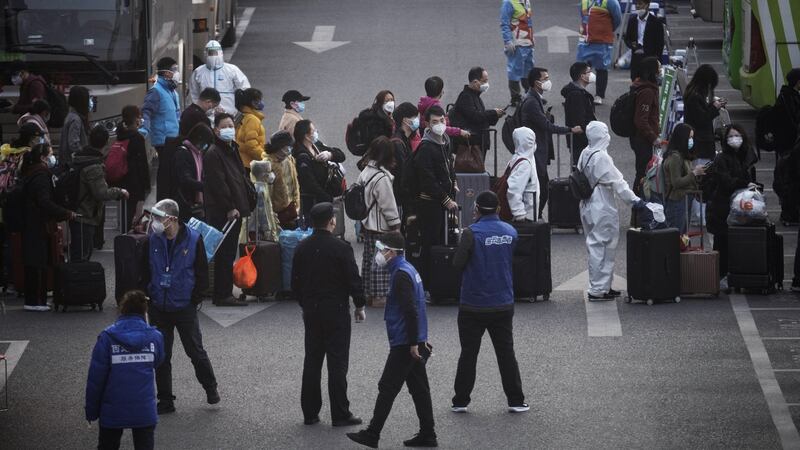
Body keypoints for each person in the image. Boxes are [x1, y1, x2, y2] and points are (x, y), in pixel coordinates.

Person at [346, 232, 436, 449]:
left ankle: (372, 434)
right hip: (413, 339)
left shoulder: (401, 275)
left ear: (392, 252)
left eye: (382, 249)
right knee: (419, 388)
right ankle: (428, 434)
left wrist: (414, 343)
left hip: (406, 342)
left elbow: (410, 310)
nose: (379, 254)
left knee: (387, 387)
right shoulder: (407, 269)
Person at [451, 191, 528, 413]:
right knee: (506, 353)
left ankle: (461, 400)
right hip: (502, 302)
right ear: (497, 209)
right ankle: (516, 400)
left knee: (469, 353)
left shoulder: (470, 233)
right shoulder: (510, 232)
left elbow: (458, 263)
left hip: (473, 304)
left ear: (476, 210)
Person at [291, 202, 366, 427]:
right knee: (337, 362)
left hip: (312, 310)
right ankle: (340, 413)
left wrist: (304, 303)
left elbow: (295, 281)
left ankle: (310, 412)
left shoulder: (301, 247)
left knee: (312, 360)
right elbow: (353, 279)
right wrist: (360, 305)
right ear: (332, 222)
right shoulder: (341, 248)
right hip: (336, 310)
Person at [140, 199, 218, 414]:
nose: (154, 222)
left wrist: (194, 299)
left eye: (158, 217)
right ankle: (165, 400)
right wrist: (148, 296)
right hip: (159, 307)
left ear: (172, 219)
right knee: (162, 357)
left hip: (184, 307)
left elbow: (202, 273)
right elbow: (144, 271)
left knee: (195, 352)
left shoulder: (193, 239)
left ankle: (210, 388)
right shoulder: (151, 241)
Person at [85, 290, 165, 450]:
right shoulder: (155, 337)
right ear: (145, 311)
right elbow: (158, 361)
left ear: (122, 309)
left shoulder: (108, 337)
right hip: (144, 409)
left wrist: (91, 411)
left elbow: (96, 379)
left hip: (112, 409)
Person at [578, 122, 648, 300]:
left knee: (599, 246)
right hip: (601, 204)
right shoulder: (601, 157)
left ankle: (603, 286)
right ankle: (597, 289)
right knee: (601, 247)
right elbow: (619, 183)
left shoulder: (585, 152)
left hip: (588, 203)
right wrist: (635, 201)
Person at [203, 113, 253, 307]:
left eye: (231, 125)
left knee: (228, 251)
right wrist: (230, 206)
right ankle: (222, 294)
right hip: (224, 211)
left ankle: (224, 292)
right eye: (225, 126)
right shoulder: (214, 152)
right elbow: (219, 184)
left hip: (235, 208)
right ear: (216, 130)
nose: (229, 129)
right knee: (224, 253)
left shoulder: (231, 148)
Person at [21, 144, 76, 311]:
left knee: (34, 261)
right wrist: (65, 212)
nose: (53, 157)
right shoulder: (41, 176)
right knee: (39, 261)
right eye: (51, 154)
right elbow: (44, 202)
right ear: (43, 158)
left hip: (31, 223)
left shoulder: (31, 173)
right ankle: (37, 300)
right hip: (39, 223)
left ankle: (34, 299)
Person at [522, 67, 583, 216]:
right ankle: (534, 216)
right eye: (545, 79)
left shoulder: (535, 98)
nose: (548, 82)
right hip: (534, 152)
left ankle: (536, 214)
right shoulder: (531, 101)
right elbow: (546, 126)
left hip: (537, 151)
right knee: (541, 188)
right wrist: (570, 130)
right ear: (537, 83)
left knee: (542, 187)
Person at [706, 125, 756, 290]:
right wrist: (744, 183)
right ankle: (720, 276)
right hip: (723, 208)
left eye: (737, 135)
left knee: (737, 243)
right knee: (722, 242)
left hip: (741, 207)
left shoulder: (745, 156)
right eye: (731, 136)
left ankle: (733, 275)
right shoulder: (722, 159)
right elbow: (725, 181)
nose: (735, 139)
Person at [412, 105, 457, 286]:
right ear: (427, 124)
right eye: (435, 122)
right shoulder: (426, 147)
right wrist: (446, 199)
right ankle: (427, 283)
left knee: (442, 240)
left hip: (444, 202)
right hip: (430, 204)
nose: (439, 124)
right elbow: (427, 180)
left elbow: (448, 168)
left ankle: (439, 280)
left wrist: (453, 182)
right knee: (431, 243)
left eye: (442, 120)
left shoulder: (445, 140)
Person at [71, 125, 129, 262]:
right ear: (106, 142)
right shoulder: (93, 165)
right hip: (85, 215)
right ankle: (80, 282)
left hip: (78, 212)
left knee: (79, 254)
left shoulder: (80, 158)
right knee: (82, 257)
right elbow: (101, 193)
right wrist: (120, 191)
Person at [358, 137, 401, 308]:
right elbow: (388, 205)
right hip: (380, 226)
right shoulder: (381, 177)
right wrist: (396, 226)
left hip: (367, 224)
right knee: (381, 262)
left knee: (369, 260)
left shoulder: (365, 172)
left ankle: (368, 294)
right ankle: (379, 297)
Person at [293, 119, 346, 218]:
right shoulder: (302, 156)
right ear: (306, 136)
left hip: (324, 197)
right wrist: (328, 198)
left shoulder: (316, 145)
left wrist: (330, 154)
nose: (316, 132)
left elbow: (341, 155)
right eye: (313, 131)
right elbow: (310, 184)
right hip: (313, 203)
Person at [450, 67, 505, 155]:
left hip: (479, 143)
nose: (487, 84)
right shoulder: (465, 97)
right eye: (484, 81)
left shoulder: (475, 96)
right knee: (472, 169)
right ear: (475, 82)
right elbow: (475, 116)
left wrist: (496, 115)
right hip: (470, 145)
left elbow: (483, 118)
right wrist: (493, 112)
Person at [576, 0, 621, 104]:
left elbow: (617, 19)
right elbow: (582, 17)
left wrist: (606, 30)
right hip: (585, 40)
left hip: (602, 42)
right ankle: (580, 92)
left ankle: (599, 95)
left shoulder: (611, 2)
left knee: (601, 69)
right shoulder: (584, 1)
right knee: (581, 68)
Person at [189, 40, 251, 116]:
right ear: (205, 54)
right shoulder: (198, 72)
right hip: (207, 116)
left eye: (215, 53)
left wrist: (241, 109)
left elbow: (244, 88)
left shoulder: (232, 70)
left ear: (221, 53)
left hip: (230, 115)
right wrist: (199, 111)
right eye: (210, 53)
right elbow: (193, 94)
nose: (213, 56)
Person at [662, 123, 704, 233]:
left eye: (692, 137)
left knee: (682, 236)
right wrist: (694, 173)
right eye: (689, 137)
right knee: (676, 235)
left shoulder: (683, 155)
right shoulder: (675, 157)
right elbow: (676, 182)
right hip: (677, 201)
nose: (691, 140)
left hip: (684, 199)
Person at [771, 68, 800, 224]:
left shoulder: (785, 96)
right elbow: (794, 121)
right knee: (789, 181)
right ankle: (789, 213)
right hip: (789, 146)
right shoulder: (790, 98)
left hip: (786, 146)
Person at [629, 57, 662, 195]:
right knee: (643, 172)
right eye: (658, 68)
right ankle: (639, 199)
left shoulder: (640, 86)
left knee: (643, 171)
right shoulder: (647, 92)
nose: (661, 71)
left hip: (639, 137)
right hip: (643, 139)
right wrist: (653, 137)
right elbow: (641, 120)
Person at [115, 105, 151, 228]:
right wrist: (146, 185)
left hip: (122, 178)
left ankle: (123, 231)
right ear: (136, 119)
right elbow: (142, 163)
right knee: (134, 214)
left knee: (125, 210)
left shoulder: (120, 135)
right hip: (135, 182)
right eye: (139, 117)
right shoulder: (137, 138)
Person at [174, 124, 215, 223]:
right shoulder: (183, 153)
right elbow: (185, 179)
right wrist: (205, 187)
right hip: (186, 202)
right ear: (198, 139)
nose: (205, 146)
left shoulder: (198, 154)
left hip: (197, 204)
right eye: (204, 143)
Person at [561, 62, 598, 164]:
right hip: (580, 142)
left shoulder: (579, 93)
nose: (591, 74)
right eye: (589, 72)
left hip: (581, 142)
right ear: (582, 76)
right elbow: (579, 121)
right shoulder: (576, 95)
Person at [264, 131, 301, 229]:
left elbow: (294, 183)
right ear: (279, 147)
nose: (289, 150)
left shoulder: (289, 160)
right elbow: (266, 196)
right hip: (277, 213)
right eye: (287, 147)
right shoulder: (267, 165)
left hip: (292, 208)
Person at [500, 0, 534, 106]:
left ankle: (531, 95)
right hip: (517, 43)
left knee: (528, 70)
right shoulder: (509, 2)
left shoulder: (526, 1)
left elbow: (528, 22)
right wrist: (508, 41)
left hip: (528, 42)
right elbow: (504, 23)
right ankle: (515, 97)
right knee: (515, 70)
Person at [623, 0, 665, 81]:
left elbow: (660, 44)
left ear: (647, 5)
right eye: (636, 4)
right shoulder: (632, 20)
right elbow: (627, 38)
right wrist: (633, 45)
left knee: (649, 85)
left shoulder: (656, 22)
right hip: (636, 58)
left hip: (650, 58)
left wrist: (657, 61)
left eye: (640, 4)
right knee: (636, 85)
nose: (638, 6)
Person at [418, 76, 470, 141]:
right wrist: (459, 132)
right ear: (441, 92)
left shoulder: (424, 103)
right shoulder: (435, 107)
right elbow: (441, 128)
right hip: (435, 139)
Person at [390, 102, 421, 213]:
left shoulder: (405, 140)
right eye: (414, 117)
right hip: (399, 200)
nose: (417, 120)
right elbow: (404, 174)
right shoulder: (398, 143)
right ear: (405, 120)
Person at [507, 127, 540, 221]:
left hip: (526, 213)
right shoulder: (525, 164)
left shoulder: (517, 157)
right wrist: (519, 213)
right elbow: (514, 188)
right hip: (526, 215)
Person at [247, 159, 280, 242]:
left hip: (255, 227)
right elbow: (262, 212)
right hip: (258, 228)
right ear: (263, 175)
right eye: (269, 172)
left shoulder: (261, 187)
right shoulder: (260, 190)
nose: (271, 174)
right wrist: (267, 229)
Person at [234, 88, 267, 170]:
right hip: (250, 164)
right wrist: (265, 157)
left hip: (241, 161)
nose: (261, 103)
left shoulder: (242, 116)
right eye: (259, 100)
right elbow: (251, 145)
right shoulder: (252, 119)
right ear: (253, 102)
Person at [59, 85, 91, 166]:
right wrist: (87, 153)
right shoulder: (76, 119)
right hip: (72, 164)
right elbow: (73, 144)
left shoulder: (70, 115)